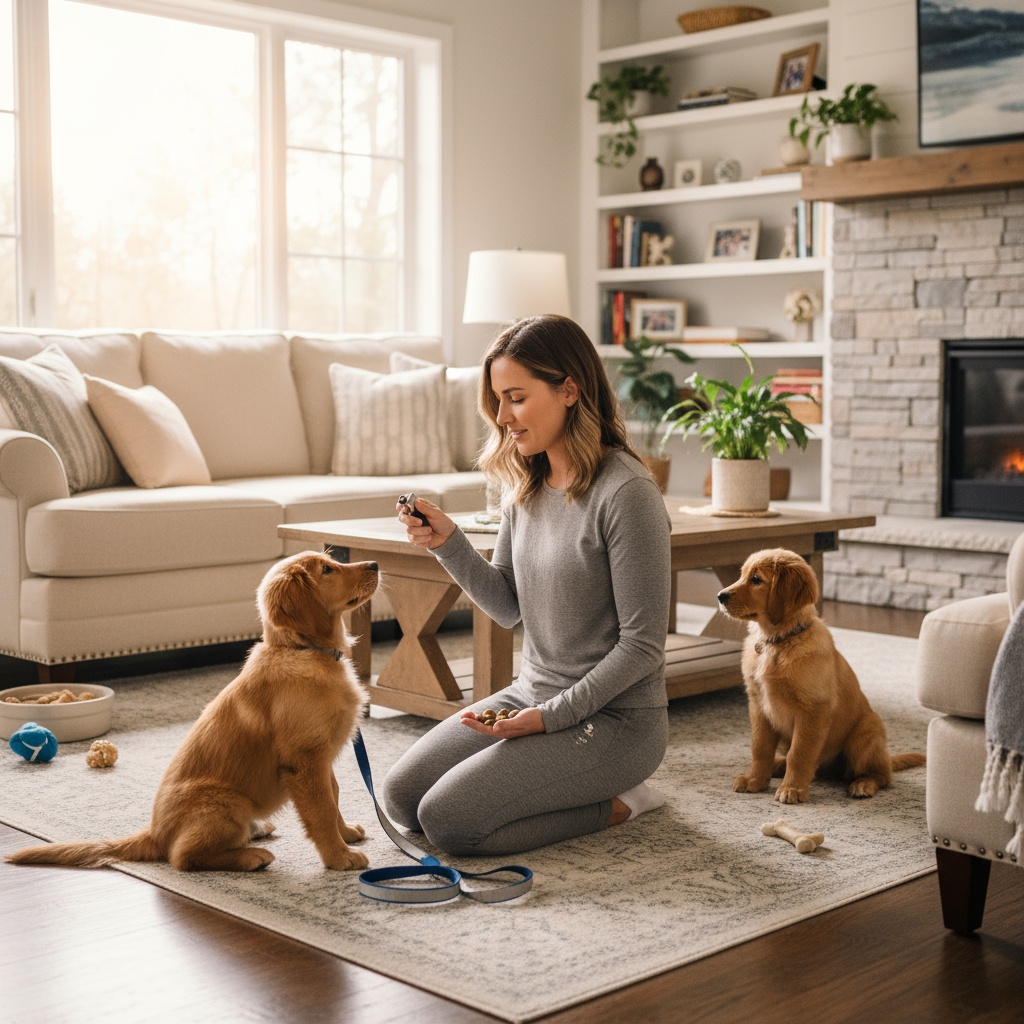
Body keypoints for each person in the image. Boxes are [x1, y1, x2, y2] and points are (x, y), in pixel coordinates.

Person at [381, 314, 672, 856]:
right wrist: (449, 542)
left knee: (449, 821)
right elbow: (509, 606)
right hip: (530, 695)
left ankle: (621, 801)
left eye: (515, 397)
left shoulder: (627, 493)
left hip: (616, 722)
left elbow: (643, 647)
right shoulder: (526, 484)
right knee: (402, 797)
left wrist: (549, 719)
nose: (502, 416)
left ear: (568, 389)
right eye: (496, 400)